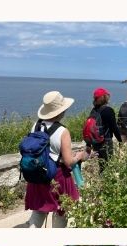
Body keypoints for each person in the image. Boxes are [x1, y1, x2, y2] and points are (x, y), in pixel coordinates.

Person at [25, 91, 90, 229]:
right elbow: (68, 162)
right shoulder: (62, 131)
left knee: (39, 210)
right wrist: (79, 156)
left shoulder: (35, 125)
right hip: (57, 176)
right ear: (61, 111)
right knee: (61, 210)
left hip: (38, 174)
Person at [84, 88, 122, 170]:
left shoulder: (93, 110)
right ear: (104, 97)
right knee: (109, 165)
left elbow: (89, 128)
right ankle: (107, 182)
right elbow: (114, 127)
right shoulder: (108, 110)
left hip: (95, 142)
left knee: (101, 165)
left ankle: (102, 180)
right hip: (106, 141)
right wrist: (120, 140)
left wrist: (88, 144)